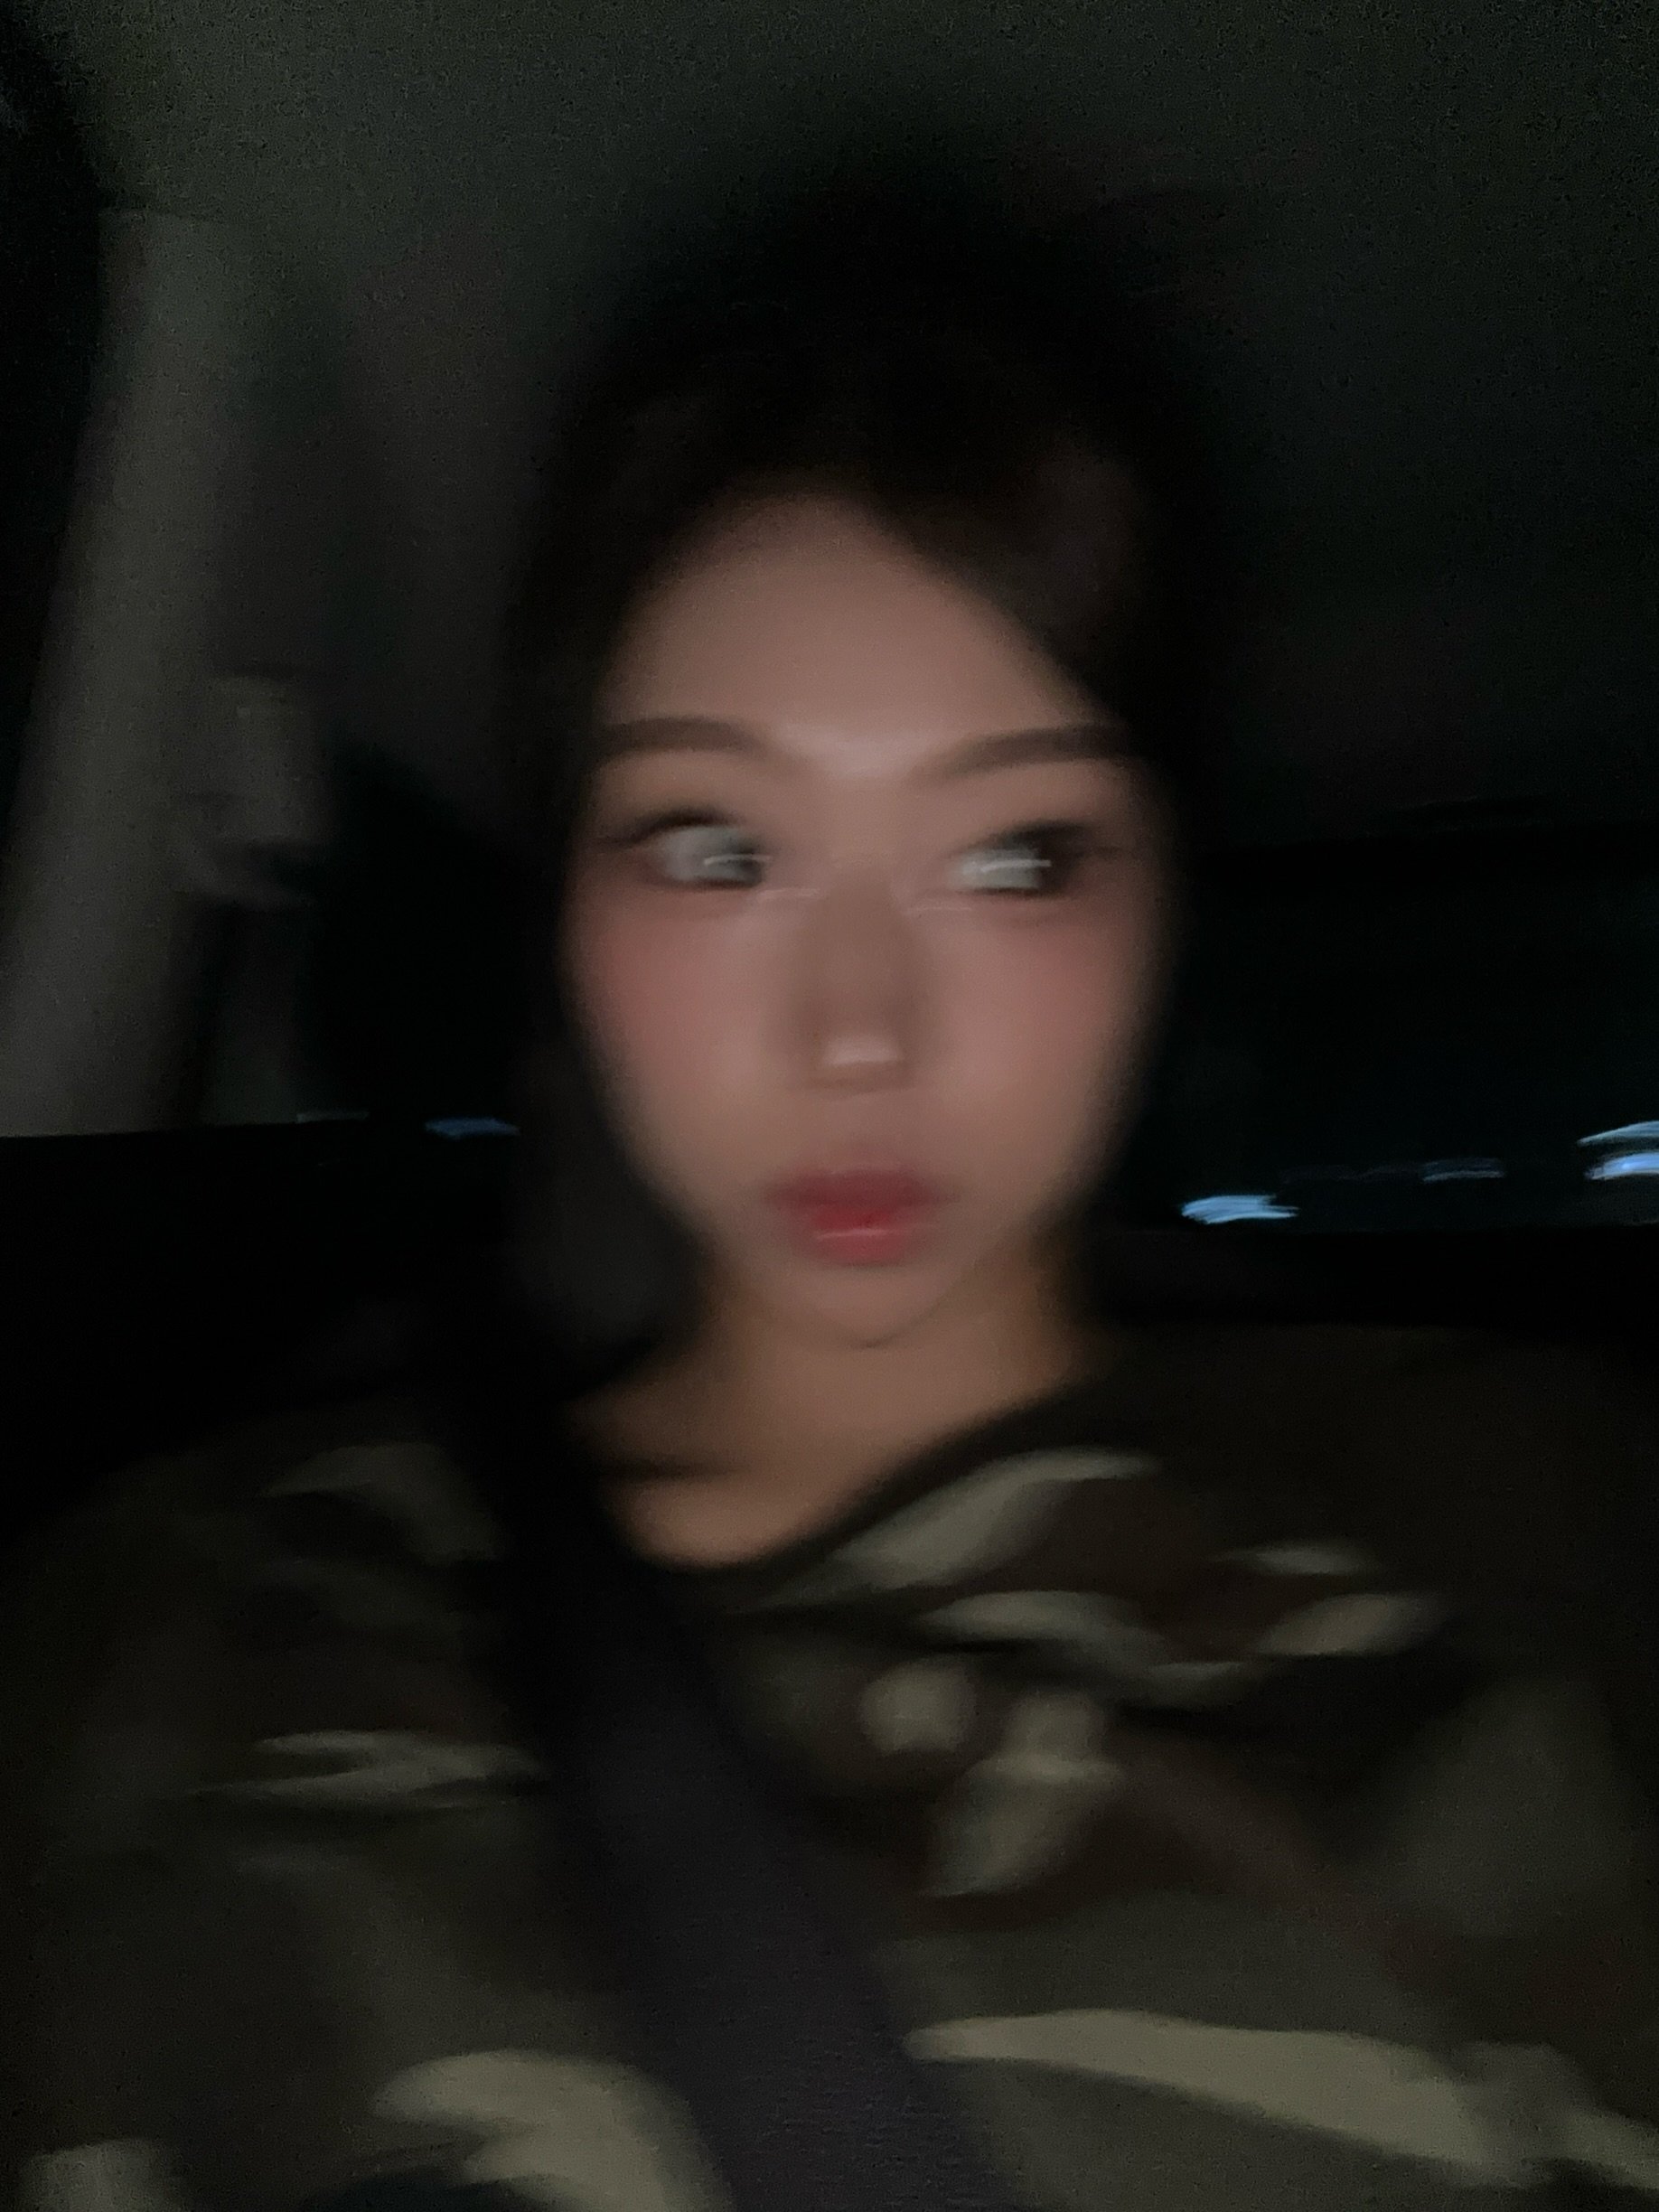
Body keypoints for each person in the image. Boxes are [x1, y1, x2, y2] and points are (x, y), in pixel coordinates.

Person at [3, 145, 1657, 2212]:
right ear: (570, 902)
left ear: (1162, 899)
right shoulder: (163, 1624)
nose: (860, 1029)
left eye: (1015, 855)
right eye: (718, 848)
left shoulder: (1548, 1543)